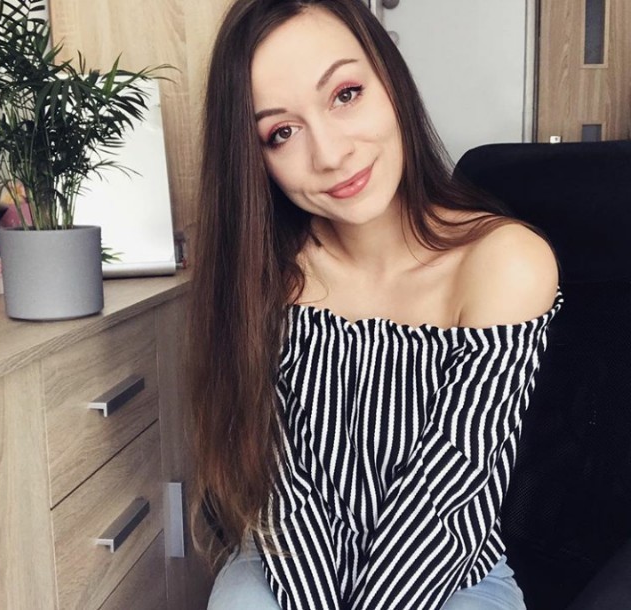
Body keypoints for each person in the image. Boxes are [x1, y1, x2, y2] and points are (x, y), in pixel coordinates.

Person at [188, 1, 562, 608]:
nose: (330, 154)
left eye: (345, 94)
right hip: (289, 557)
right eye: (281, 133)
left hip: (452, 567)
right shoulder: (267, 271)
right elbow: (287, 489)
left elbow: (449, 491)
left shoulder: (504, 262)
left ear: (390, 80)